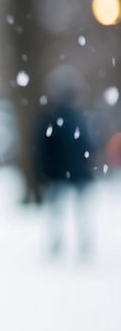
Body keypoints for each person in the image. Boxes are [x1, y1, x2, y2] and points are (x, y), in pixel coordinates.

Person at [32, 82, 97, 260]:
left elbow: (42, 149)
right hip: (77, 173)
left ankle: (58, 243)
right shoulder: (79, 118)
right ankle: (82, 243)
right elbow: (89, 146)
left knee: (57, 212)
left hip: (58, 174)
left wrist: (42, 174)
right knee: (78, 211)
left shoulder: (50, 118)